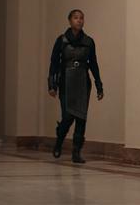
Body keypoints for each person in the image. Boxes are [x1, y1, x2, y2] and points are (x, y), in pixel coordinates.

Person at [48, 9, 103, 163]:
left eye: (81, 18)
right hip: (66, 81)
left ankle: (76, 152)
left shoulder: (89, 41)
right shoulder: (62, 40)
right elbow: (54, 63)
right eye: (76, 18)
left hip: (82, 83)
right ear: (70, 21)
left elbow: (94, 64)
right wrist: (51, 85)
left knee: (81, 118)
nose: (79, 20)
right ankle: (59, 142)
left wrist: (99, 85)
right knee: (67, 117)